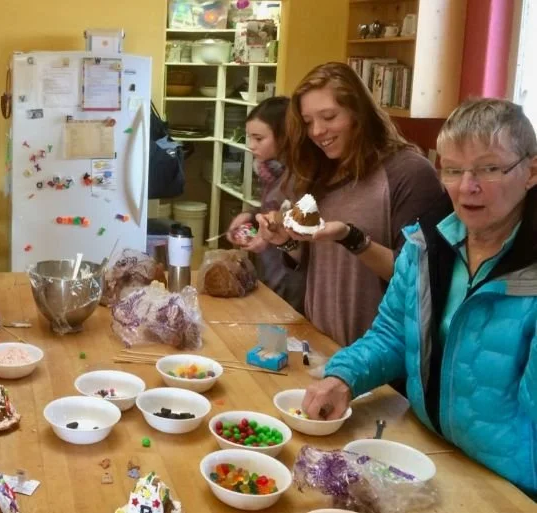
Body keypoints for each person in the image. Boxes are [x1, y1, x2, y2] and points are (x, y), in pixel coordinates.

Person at [302, 98, 537, 495]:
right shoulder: (426, 243)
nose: (467, 187)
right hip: (427, 452)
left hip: (509, 486)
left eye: (490, 168)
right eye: (453, 169)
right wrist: (344, 377)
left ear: (530, 172)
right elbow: (394, 334)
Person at [255, 62, 445, 346]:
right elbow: (317, 263)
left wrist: (350, 237)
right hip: (321, 342)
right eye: (307, 122)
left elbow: (416, 277)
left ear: (359, 112)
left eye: (329, 117)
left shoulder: (408, 173)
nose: (317, 131)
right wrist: (287, 242)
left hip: (378, 354)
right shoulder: (318, 170)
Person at [226, 96, 305, 313]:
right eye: (249, 137)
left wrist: (269, 238)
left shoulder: (299, 180)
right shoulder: (271, 173)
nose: (251, 145)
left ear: (285, 136)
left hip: (292, 288)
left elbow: (305, 242)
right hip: (272, 277)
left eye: (259, 138)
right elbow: (273, 212)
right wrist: (250, 217)